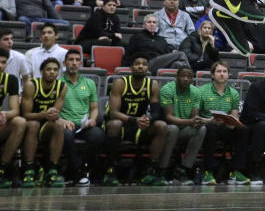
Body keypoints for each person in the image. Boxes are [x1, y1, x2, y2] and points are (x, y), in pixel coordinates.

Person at [103, 55, 168, 186]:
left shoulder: (152, 84)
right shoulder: (120, 83)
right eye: (137, 63)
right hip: (120, 123)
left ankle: (152, 169)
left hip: (138, 124)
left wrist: (148, 119)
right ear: (131, 67)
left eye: (144, 64)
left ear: (147, 69)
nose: (140, 66)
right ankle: (110, 170)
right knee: (116, 124)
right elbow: (113, 113)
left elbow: (156, 111)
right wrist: (135, 120)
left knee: (161, 125)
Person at [197, 60, 251, 184]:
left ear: (228, 75)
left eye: (224, 71)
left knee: (243, 130)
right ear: (212, 75)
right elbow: (196, 116)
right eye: (219, 71)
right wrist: (209, 120)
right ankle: (208, 172)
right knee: (211, 129)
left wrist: (231, 122)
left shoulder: (233, 93)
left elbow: (235, 116)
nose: (222, 74)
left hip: (225, 126)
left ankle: (236, 172)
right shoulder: (201, 91)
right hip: (206, 126)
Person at [59, 49, 103, 186]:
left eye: (77, 60)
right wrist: (61, 120)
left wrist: (92, 119)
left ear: (81, 63)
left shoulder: (89, 83)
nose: (74, 63)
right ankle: (78, 170)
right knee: (66, 135)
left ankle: (82, 167)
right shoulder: (58, 82)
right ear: (64, 63)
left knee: (98, 135)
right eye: (71, 60)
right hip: (66, 123)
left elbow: (94, 108)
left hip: (84, 124)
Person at [20, 57, 67, 187]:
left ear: (58, 73)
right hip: (29, 123)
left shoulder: (62, 86)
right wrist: (43, 114)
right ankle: (28, 169)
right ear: (41, 71)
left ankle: (53, 169)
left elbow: (56, 113)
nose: (52, 72)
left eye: (55, 70)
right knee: (33, 124)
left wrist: (54, 113)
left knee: (59, 124)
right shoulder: (31, 85)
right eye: (48, 69)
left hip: (46, 125)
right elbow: (26, 114)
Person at [159, 67, 206, 183]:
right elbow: (169, 117)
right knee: (173, 129)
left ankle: (185, 168)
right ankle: (162, 170)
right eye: (183, 76)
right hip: (167, 128)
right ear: (177, 77)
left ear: (192, 79)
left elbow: (194, 117)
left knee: (202, 129)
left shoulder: (196, 92)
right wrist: (190, 122)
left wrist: (198, 121)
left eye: (189, 77)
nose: (185, 79)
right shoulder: (167, 89)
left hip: (184, 129)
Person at [124, 14, 190, 75]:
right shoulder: (137, 37)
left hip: (161, 64)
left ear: (157, 26)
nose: (152, 24)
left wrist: (172, 51)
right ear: (144, 25)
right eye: (149, 22)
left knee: (177, 64)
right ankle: (191, 78)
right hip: (145, 64)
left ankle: (164, 85)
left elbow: (168, 53)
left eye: (154, 22)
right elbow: (128, 54)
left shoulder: (161, 40)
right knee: (180, 54)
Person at [0, 47, 27, 187]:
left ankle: (2, 168)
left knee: (20, 122)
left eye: (3, 62)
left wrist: (4, 113)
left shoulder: (10, 79)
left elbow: (15, 110)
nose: (0, 65)